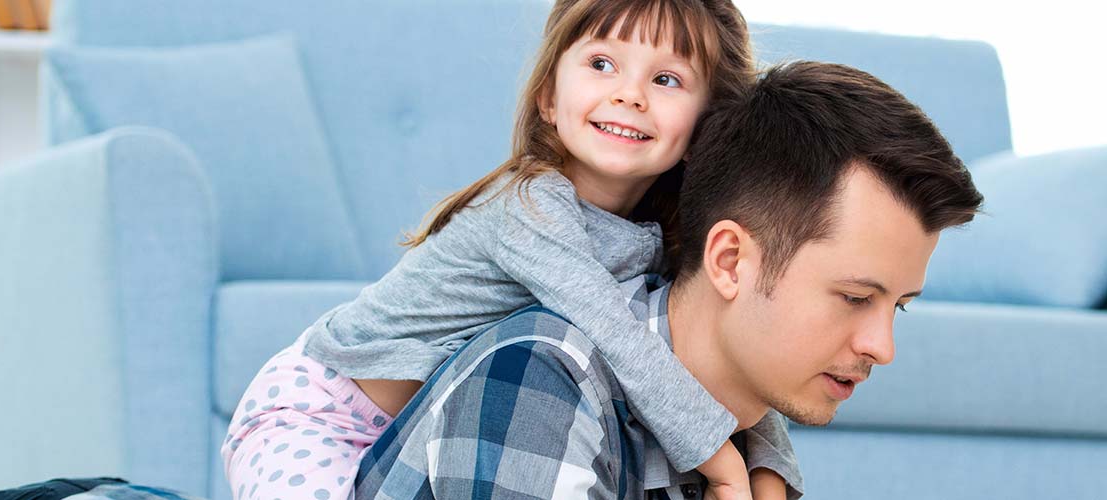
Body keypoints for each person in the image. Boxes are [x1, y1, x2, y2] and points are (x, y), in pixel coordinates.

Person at [220, 1, 787, 499]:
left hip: (420, 430)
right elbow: (619, 337)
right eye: (601, 64)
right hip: (319, 413)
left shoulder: (663, 235)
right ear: (547, 96)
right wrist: (724, 466)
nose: (629, 94)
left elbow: (723, 349)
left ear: (705, 126)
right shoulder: (529, 208)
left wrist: (770, 467)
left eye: (666, 80)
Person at [354, 61, 986, 499]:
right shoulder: (540, 378)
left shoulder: (740, 429)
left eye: (898, 306)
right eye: (855, 297)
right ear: (730, 261)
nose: (883, 347)